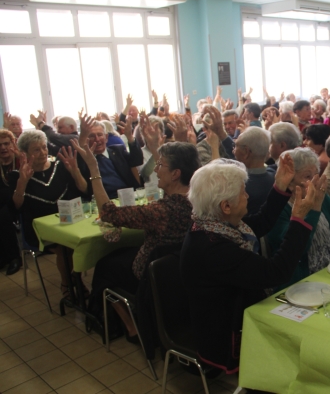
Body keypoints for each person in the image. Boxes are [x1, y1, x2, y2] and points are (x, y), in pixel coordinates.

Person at [180, 155, 315, 374]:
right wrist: (299, 219)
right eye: (243, 193)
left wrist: (281, 186)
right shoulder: (213, 248)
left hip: (237, 309)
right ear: (226, 206)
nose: (248, 196)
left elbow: (260, 222)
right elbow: (276, 272)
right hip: (224, 333)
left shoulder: (213, 224)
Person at [72, 117, 200, 341]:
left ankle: (131, 327)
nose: (156, 170)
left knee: (103, 267)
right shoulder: (199, 198)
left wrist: (94, 169)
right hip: (184, 268)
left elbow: (109, 214)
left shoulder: (160, 211)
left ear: (176, 173)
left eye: (160, 166)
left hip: (153, 273)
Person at [268, 147, 330, 287]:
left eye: (317, 174)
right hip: (305, 283)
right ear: (289, 182)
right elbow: (297, 250)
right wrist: (314, 209)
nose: (315, 181)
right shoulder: (278, 210)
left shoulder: (320, 198)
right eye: (308, 176)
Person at [8, 130, 88, 297]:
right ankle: (68, 285)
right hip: (38, 228)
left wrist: (75, 171)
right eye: (36, 150)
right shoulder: (16, 175)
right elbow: (16, 206)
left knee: (84, 240)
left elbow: (84, 188)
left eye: (44, 147)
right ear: (25, 153)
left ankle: (75, 277)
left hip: (70, 220)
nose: (43, 153)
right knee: (64, 247)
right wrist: (22, 182)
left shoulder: (60, 166)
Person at [78, 114, 143, 198]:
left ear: (106, 137)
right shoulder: (85, 159)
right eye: (91, 136)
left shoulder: (118, 150)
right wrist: (82, 137)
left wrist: (130, 137)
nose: (97, 139)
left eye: (100, 135)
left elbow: (137, 160)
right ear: (86, 139)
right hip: (103, 199)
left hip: (128, 195)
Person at [233, 127, 275, 215]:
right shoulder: (275, 176)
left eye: (236, 146)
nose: (233, 151)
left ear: (246, 152)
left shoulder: (239, 185)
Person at [0, 130, 21, 274]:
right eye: (0, 145)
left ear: (13, 143)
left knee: (3, 216)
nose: (3, 148)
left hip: (21, 200)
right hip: (3, 202)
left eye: (6, 144)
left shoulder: (21, 160)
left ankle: (14, 258)